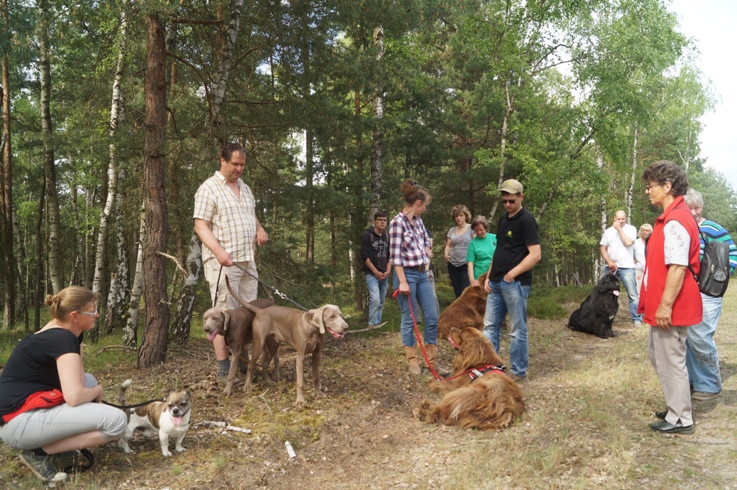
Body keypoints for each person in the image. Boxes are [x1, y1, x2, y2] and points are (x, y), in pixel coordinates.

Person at [0, 287, 127, 483]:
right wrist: (98, 391)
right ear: (74, 316)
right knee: (117, 421)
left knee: (90, 380)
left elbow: (81, 380)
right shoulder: (61, 338)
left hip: (22, 416)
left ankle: (49, 447)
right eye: (92, 310)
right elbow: (74, 397)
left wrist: (79, 346)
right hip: (19, 424)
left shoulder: (65, 333)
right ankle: (38, 451)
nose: (97, 314)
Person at [194, 143, 269, 383]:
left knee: (247, 314)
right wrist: (218, 252)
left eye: (242, 165)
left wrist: (259, 228)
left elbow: (250, 213)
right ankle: (225, 369)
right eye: (234, 164)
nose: (238, 169)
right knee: (222, 315)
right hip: (223, 264)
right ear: (222, 161)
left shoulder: (245, 188)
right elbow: (200, 225)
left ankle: (243, 363)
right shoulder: (209, 188)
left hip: (247, 260)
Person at [639, 161, 702, 435]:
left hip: (671, 305)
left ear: (667, 186)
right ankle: (676, 405)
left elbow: (677, 267)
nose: (647, 191)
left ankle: (681, 418)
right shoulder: (671, 217)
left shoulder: (676, 220)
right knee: (659, 355)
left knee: (671, 358)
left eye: (651, 186)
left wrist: (665, 306)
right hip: (663, 303)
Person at [482, 179, 541, 382]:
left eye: (511, 200)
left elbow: (535, 254)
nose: (507, 204)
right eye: (504, 200)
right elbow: (498, 250)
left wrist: (512, 274)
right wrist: (489, 276)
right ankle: (491, 368)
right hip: (496, 282)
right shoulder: (503, 219)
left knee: (517, 329)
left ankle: (518, 371)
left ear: (521, 197)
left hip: (515, 283)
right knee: (490, 327)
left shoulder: (527, 220)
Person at [683, 188, 737, 401]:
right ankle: (692, 380)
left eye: (698, 207)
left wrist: (722, 276)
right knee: (687, 338)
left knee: (701, 336)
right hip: (687, 291)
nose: (695, 212)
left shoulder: (713, 228)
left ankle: (710, 384)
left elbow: (732, 252)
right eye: (690, 208)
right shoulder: (683, 228)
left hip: (708, 293)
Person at [389, 179, 441, 375]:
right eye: (425, 205)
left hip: (422, 274)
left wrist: (426, 261)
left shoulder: (419, 222)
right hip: (406, 275)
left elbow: (427, 243)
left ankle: (432, 361)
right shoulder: (397, 223)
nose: (425, 209)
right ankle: (413, 361)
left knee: (432, 317)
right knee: (410, 319)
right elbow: (395, 256)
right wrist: (402, 281)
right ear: (418, 203)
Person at [600, 210, 643, 326]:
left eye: (623, 219)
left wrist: (618, 229)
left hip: (627, 266)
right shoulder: (608, 232)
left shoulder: (631, 229)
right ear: (614, 218)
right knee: (605, 293)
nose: (620, 221)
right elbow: (603, 248)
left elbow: (628, 242)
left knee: (633, 294)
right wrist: (608, 261)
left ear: (625, 219)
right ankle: (605, 318)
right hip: (611, 267)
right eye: (618, 219)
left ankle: (637, 318)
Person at [361, 211, 392, 328]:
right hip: (372, 273)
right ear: (374, 221)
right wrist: (375, 272)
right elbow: (365, 257)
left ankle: (377, 322)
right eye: (380, 220)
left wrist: (388, 271)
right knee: (375, 298)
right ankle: (371, 324)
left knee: (381, 300)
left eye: (385, 220)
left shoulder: (387, 236)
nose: (382, 222)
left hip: (384, 273)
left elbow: (390, 256)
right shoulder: (367, 235)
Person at [444, 204, 474, 297]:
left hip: (466, 264)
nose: (458, 218)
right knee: (457, 292)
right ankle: (460, 311)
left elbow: (476, 244)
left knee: (465, 292)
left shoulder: (471, 228)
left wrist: (471, 260)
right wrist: (446, 255)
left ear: (466, 216)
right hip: (453, 264)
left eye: (461, 215)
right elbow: (448, 245)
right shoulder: (452, 230)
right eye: (456, 216)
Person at [466, 215, 497, 288]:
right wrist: (472, 279)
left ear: (485, 228)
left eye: (481, 230)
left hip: (495, 274)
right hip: (480, 277)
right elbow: (470, 263)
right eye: (476, 230)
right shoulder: (473, 243)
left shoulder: (495, 238)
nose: (479, 232)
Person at [634, 224, 653, 293]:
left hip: (650, 269)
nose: (644, 232)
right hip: (639, 269)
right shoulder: (636, 242)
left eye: (647, 231)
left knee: (649, 290)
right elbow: (628, 251)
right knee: (638, 290)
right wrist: (632, 260)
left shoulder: (653, 242)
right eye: (643, 230)